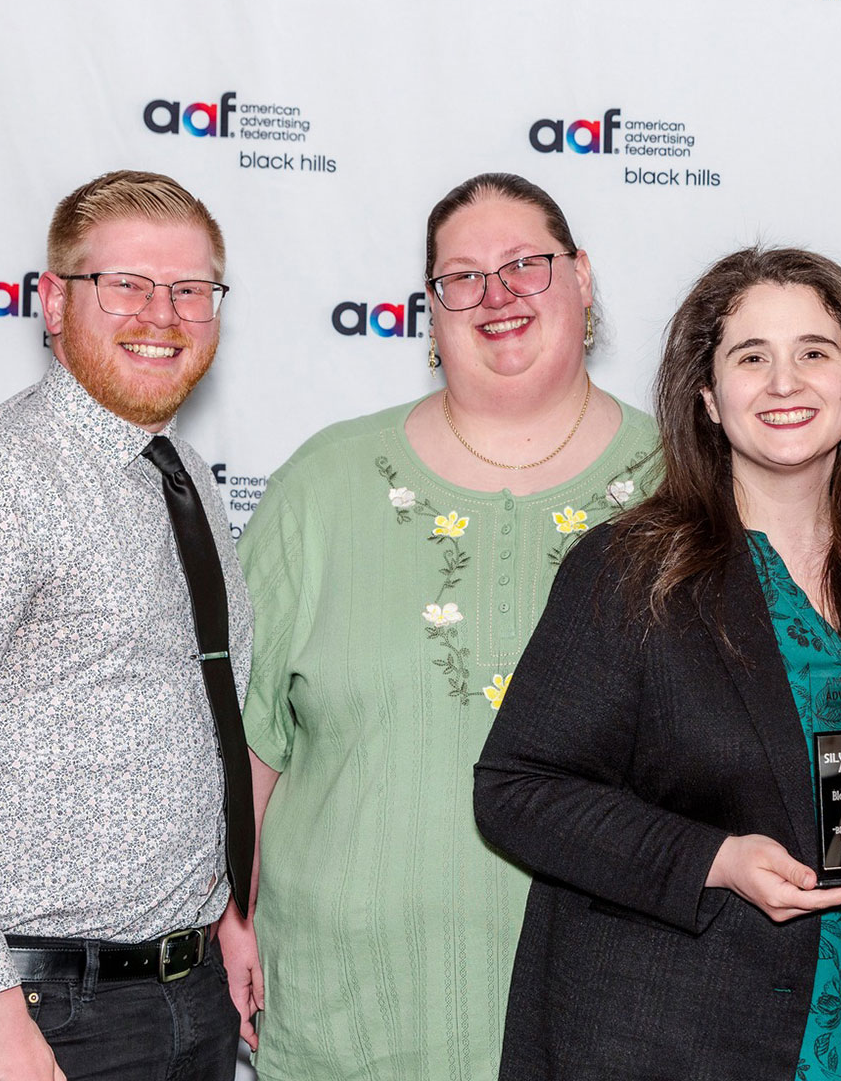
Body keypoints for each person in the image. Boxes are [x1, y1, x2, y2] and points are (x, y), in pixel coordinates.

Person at [229, 173, 658, 1080]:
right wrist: (229, 922)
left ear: (582, 277)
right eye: (461, 277)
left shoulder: (684, 488)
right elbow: (248, 751)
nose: (496, 295)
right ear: (430, 310)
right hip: (349, 1018)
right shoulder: (324, 486)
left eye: (525, 266)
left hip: (613, 1017)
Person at [473, 247, 841, 1081]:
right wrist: (714, 859)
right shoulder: (632, 569)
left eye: (814, 353)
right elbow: (518, 790)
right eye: (751, 358)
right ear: (710, 399)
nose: (785, 382)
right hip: (680, 1037)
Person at [0, 169, 249, 1081]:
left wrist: (222, 916)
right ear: (51, 302)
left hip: (186, 998)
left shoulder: (184, 475)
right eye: (126, 284)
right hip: (34, 1011)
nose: (163, 313)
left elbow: (191, 726)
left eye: (191, 290)